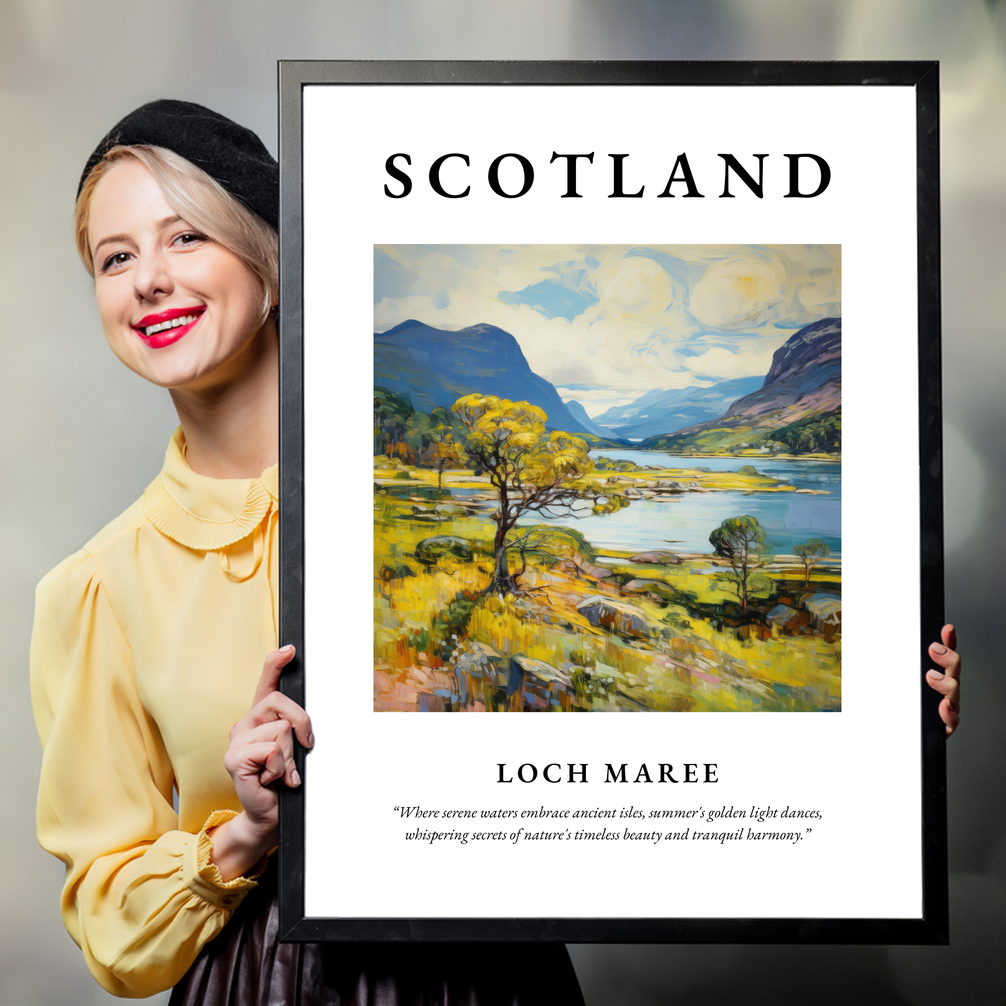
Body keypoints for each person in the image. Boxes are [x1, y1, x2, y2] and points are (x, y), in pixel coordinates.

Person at [30, 100, 585, 1004]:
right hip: (263, 981)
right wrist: (245, 832)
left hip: (494, 973)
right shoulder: (97, 587)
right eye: (116, 257)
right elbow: (110, 924)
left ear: (273, 264)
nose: (148, 281)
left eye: (186, 239)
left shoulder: (436, 512)